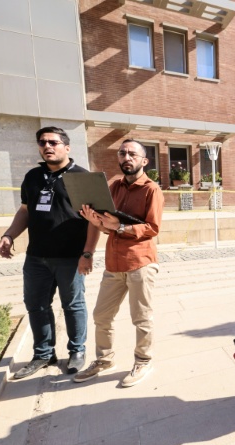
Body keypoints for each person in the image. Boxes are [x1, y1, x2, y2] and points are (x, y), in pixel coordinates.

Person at [0, 127, 99, 379]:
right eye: (42, 142)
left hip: (70, 257)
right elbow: (25, 211)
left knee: (73, 305)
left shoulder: (82, 178)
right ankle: (43, 354)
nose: (47, 146)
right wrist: (9, 234)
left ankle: (77, 351)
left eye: (53, 142)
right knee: (36, 305)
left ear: (67, 147)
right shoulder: (33, 176)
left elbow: (94, 221)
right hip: (36, 258)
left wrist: (87, 253)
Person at [73, 139, 164, 388]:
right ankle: (104, 360)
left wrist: (120, 226)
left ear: (144, 161)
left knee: (141, 318)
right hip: (113, 265)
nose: (126, 157)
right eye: (122, 153)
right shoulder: (113, 187)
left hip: (140, 263)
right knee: (101, 315)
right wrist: (95, 221)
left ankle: (143, 360)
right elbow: (105, 226)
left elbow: (152, 228)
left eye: (132, 154)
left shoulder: (151, 189)